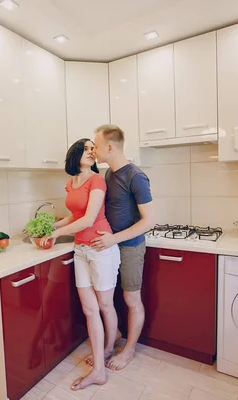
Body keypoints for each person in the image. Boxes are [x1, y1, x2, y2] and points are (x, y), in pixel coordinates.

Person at [41, 138, 121, 390]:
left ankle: (108, 348)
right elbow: (73, 216)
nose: (91, 152)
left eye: (92, 149)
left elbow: (87, 220)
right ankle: (99, 366)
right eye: (86, 149)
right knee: (89, 310)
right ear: (75, 153)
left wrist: (54, 236)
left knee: (105, 305)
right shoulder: (71, 182)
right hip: (81, 250)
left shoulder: (97, 180)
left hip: (100, 249)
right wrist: (49, 227)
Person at [90, 124, 156, 371]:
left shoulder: (135, 176)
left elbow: (150, 220)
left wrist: (113, 239)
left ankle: (128, 351)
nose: (94, 151)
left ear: (110, 146)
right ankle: (113, 339)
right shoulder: (108, 174)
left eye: (96, 146)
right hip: (111, 247)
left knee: (131, 299)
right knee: (107, 298)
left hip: (129, 246)